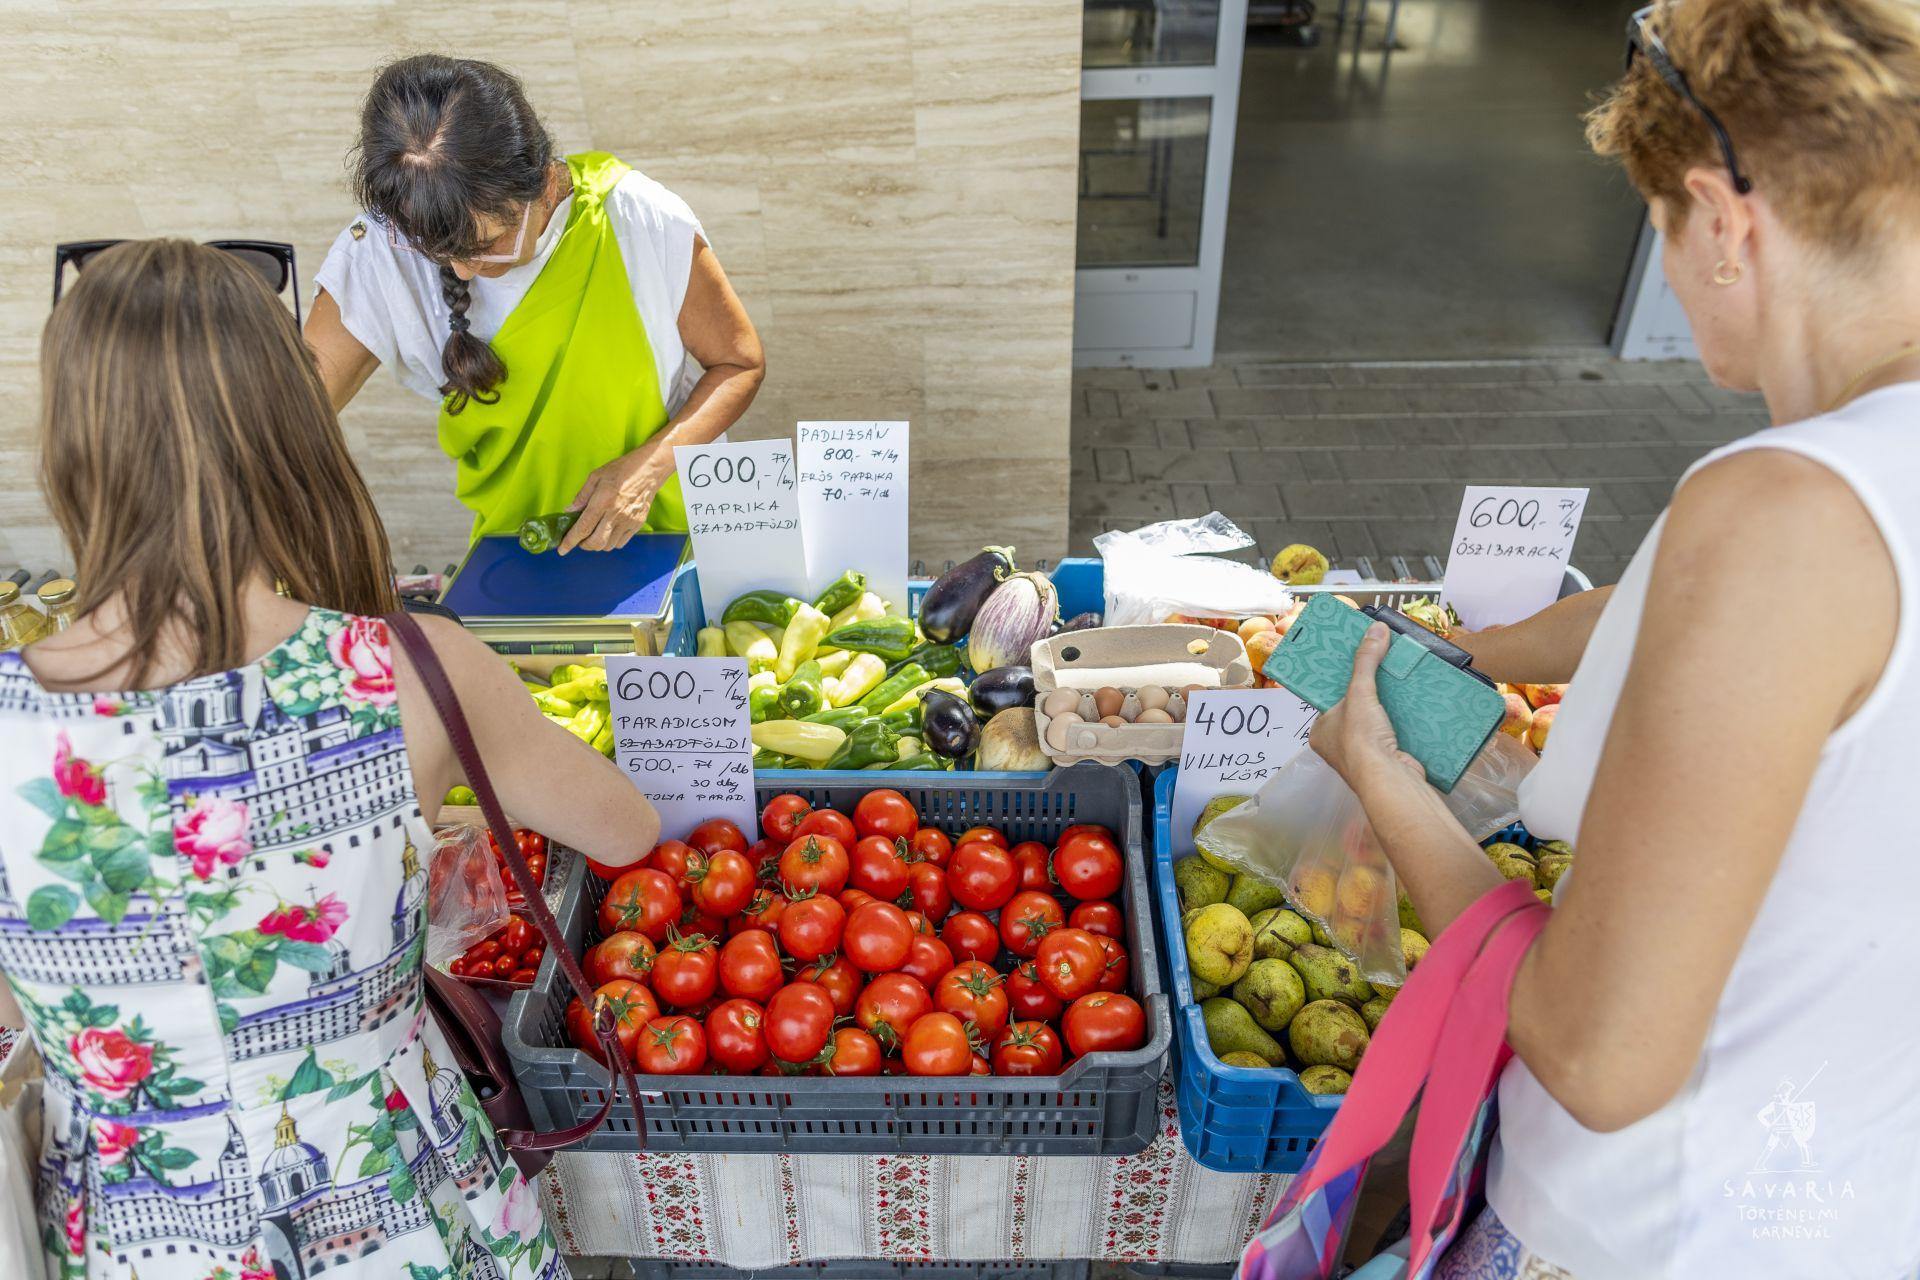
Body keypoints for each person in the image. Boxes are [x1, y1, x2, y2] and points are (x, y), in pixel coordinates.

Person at [1306, 2, 1920, 1276]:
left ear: (1724, 221)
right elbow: (1671, 624)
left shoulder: (1786, 514)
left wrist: (1382, 779)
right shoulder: (1849, 487)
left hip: (1659, 1228)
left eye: (1658, 225)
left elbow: (1595, 1054)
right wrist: (1477, 655)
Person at [0, 239, 658, 1279]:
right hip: (401, 1203)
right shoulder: (412, 668)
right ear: (288, 423)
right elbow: (625, 826)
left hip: (134, 1233)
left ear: (71, 444)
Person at [305, 55, 764, 554]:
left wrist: (649, 468)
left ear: (545, 185)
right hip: (516, 545)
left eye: (488, 244)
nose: (462, 271)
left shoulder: (637, 217)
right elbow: (293, 411)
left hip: (669, 533)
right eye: (436, 250)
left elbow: (739, 364)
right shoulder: (381, 249)